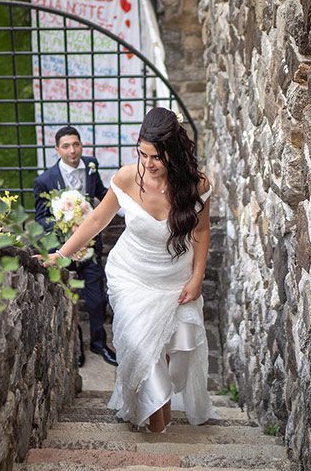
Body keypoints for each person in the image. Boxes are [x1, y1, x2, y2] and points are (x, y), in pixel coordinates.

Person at [45, 108, 213, 432]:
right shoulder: (126, 177)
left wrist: (197, 278)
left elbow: (202, 232)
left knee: (165, 353)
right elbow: (96, 219)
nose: (147, 164)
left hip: (175, 280)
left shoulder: (197, 185)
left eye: (155, 157)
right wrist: (61, 255)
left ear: (174, 153)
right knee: (141, 348)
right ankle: (158, 429)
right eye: (142, 153)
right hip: (131, 276)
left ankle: (160, 429)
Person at [34, 126, 118, 367]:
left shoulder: (91, 166)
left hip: (91, 247)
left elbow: (100, 192)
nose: (73, 150)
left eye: (76, 144)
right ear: (57, 149)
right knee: (70, 299)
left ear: (81, 145)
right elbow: (41, 218)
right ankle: (77, 346)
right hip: (62, 250)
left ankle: (99, 343)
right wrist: (63, 226)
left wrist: (121, 205)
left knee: (97, 299)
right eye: (66, 146)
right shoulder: (44, 181)